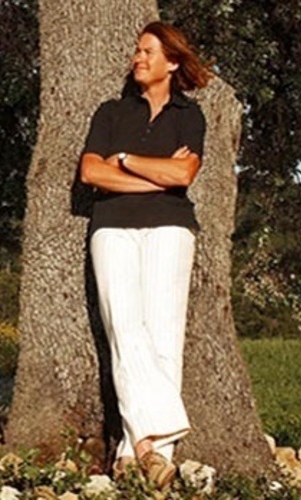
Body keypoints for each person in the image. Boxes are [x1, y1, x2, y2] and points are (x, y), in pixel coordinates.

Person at [79, 21, 212, 488]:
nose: (137, 58)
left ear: (171, 62)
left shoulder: (189, 116)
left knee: (162, 336)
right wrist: (155, 176)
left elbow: (183, 175)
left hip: (170, 229)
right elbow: (91, 173)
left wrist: (127, 161)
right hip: (111, 227)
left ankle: (143, 454)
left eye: (148, 51)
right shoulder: (111, 112)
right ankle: (148, 450)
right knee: (125, 329)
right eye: (137, 50)